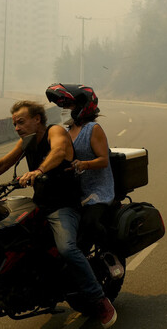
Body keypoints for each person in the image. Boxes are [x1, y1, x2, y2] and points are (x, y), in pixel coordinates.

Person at [0, 100, 116, 327]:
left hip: (63, 207)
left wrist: (39, 170)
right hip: (39, 204)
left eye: (21, 122)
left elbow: (59, 151)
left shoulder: (55, 132)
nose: (17, 128)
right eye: (14, 124)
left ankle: (99, 299)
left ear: (37, 119)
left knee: (67, 248)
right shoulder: (27, 141)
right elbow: (3, 163)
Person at [44, 84, 115, 227]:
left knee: (89, 223)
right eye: (63, 107)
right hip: (76, 192)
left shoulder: (92, 129)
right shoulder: (66, 132)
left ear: (82, 106)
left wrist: (84, 164)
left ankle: (110, 248)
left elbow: (103, 161)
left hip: (97, 192)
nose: (64, 111)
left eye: (68, 106)